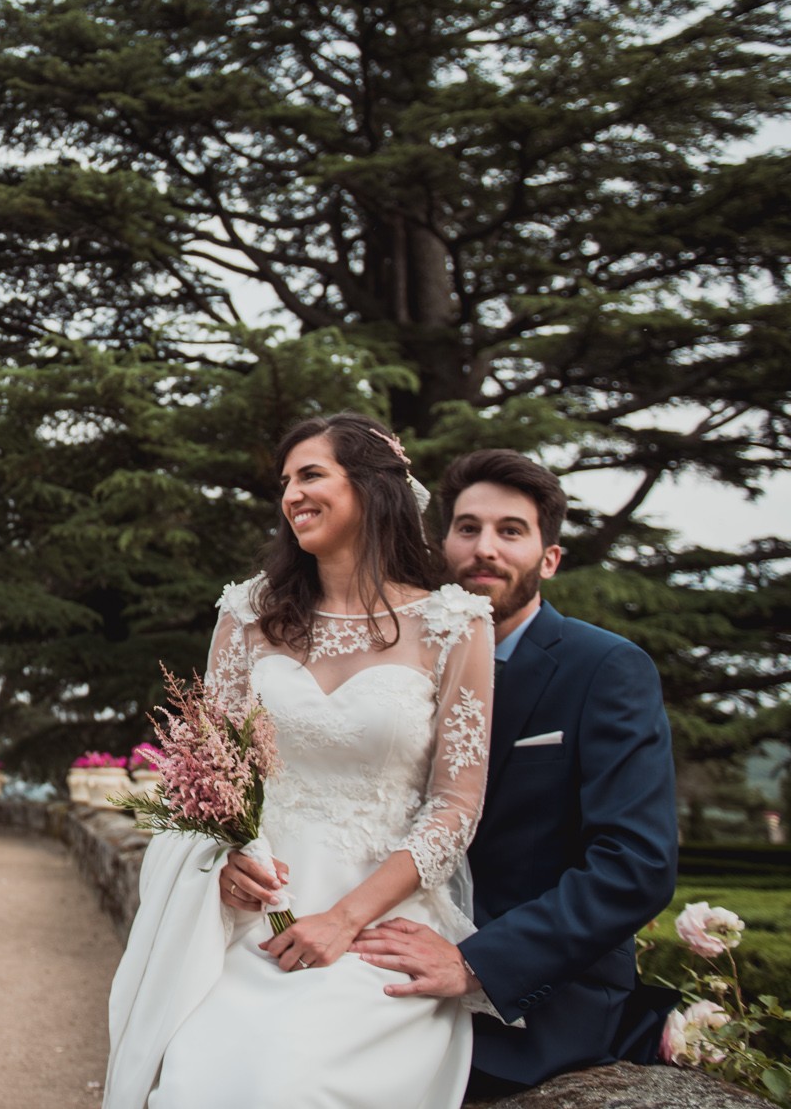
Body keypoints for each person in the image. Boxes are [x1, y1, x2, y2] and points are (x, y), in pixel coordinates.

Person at [105, 413, 494, 1109]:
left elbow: (456, 806)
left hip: (377, 924)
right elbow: (211, 775)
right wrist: (221, 867)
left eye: (311, 474)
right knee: (194, 1077)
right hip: (251, 915)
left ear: (372, 487)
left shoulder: (454, 623)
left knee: (291, 1080)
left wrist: (345, 919)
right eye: (285, 481)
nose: (291, 495)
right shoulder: (247, 613)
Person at [339, 448, 679, 1097]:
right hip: (385, 949)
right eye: (467, 528)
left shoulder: (606, 669)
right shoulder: (394, 669)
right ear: (442, 546)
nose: (485, 548)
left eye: (511, 531)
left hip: (535, 997)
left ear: (549, 558)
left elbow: (636, 865)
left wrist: (474, 963)